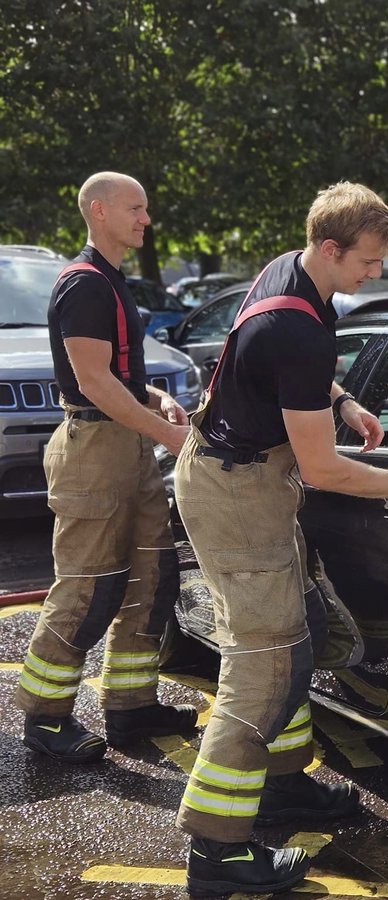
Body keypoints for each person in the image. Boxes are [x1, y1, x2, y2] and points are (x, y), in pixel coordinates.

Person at [174, 182, 388, 896]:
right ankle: (217, 852)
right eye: (368, 262)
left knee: (298, 629)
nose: (376, 275)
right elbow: (323, 469)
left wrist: (342, 398)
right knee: (267, 664)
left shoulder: (292, 272)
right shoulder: (296, 327)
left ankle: (281, 790)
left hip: (246, 479)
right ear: (329, 248)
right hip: (237, 492)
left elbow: (286, 382)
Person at [14, 172, 197, 764]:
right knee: (90, 588)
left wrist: (153, 398)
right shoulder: (85, 285)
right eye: (136, 209)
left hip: (128, 445)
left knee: (152, 577)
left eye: (146, 208)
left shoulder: (112, 279)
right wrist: (167, 431)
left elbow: (113, 375)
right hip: (95, 453)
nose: (146, 219)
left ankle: (129, 708)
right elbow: (90, 380)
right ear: (99, 211)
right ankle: (44, 719)